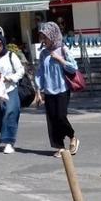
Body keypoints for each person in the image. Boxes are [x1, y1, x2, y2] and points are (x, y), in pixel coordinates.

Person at [35, 22, 81, 157]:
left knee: (61, 116)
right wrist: (38, 91)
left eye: (46, 37)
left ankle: (73, 137)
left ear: (53, 36)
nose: (44, 40)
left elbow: (73, 68)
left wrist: (60, 59)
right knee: (52, 119)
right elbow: (40, 72)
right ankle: (60, 146)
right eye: (42, 37)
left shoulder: (63, 50)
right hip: (48, 91)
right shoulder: (43, 54)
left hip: (62, 89)